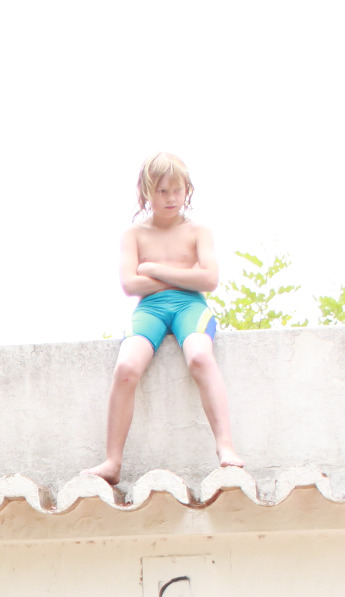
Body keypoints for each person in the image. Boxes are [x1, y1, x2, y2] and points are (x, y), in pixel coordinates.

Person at [87, 152, 242, 486]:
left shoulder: (199, 231)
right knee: (126, 368)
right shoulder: (134, 234)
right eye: (162, 191)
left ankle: (225, 445)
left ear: (187, 190)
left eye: (177, 190)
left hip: (191, 308)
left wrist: (155, 269)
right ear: (147, 193)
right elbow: (130, 285)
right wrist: (185, 275)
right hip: (150, 310)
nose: (171, 198)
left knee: (200, 357)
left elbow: (209, 280)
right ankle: (112, 461)